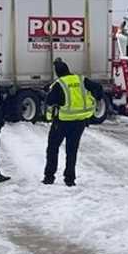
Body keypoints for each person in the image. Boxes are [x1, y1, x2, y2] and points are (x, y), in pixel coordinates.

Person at [42, 58, 103, 187]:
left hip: (62, 122)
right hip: (79, 122)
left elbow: (50, 101)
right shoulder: (81, 80)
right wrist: (95, 98)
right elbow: (98, 88)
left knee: (53, 148)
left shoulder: (59, 84)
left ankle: (49, 177)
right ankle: (70, 179)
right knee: (72, 150)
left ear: (57, 73)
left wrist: (49, 91)